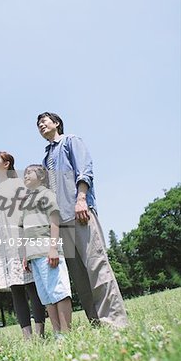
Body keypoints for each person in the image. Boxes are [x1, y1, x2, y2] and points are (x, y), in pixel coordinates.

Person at [36, 112, 128, 328]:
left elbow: (85, 170)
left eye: (44, 120)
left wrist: (81, 199)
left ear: (56, 123)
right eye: (38, 124)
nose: (40, 124)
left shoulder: (70, 141)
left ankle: (115, 322)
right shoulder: (45, 158)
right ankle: (97, 323)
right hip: (62, 223)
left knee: (96, 266)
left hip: (79, 212)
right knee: (79, 276)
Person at [0, 151, 46, 338]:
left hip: (20, 238)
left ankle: (40, 333)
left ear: (6, 164)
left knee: (31, 284)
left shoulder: (19, 185)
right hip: (2, 245)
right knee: (15, 289)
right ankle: (27, 337)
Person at [21, 164, 72, 339]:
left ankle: (66, 334)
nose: (25, 175)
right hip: (34, 255)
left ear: (42, 177)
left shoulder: (46, 195)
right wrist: (26, 255)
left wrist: (53, 248)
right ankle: (57, 333)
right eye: (24, 173)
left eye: (30, 172)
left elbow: (54, 221)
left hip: (47, 250)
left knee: (58, 291)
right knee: (47, 296)